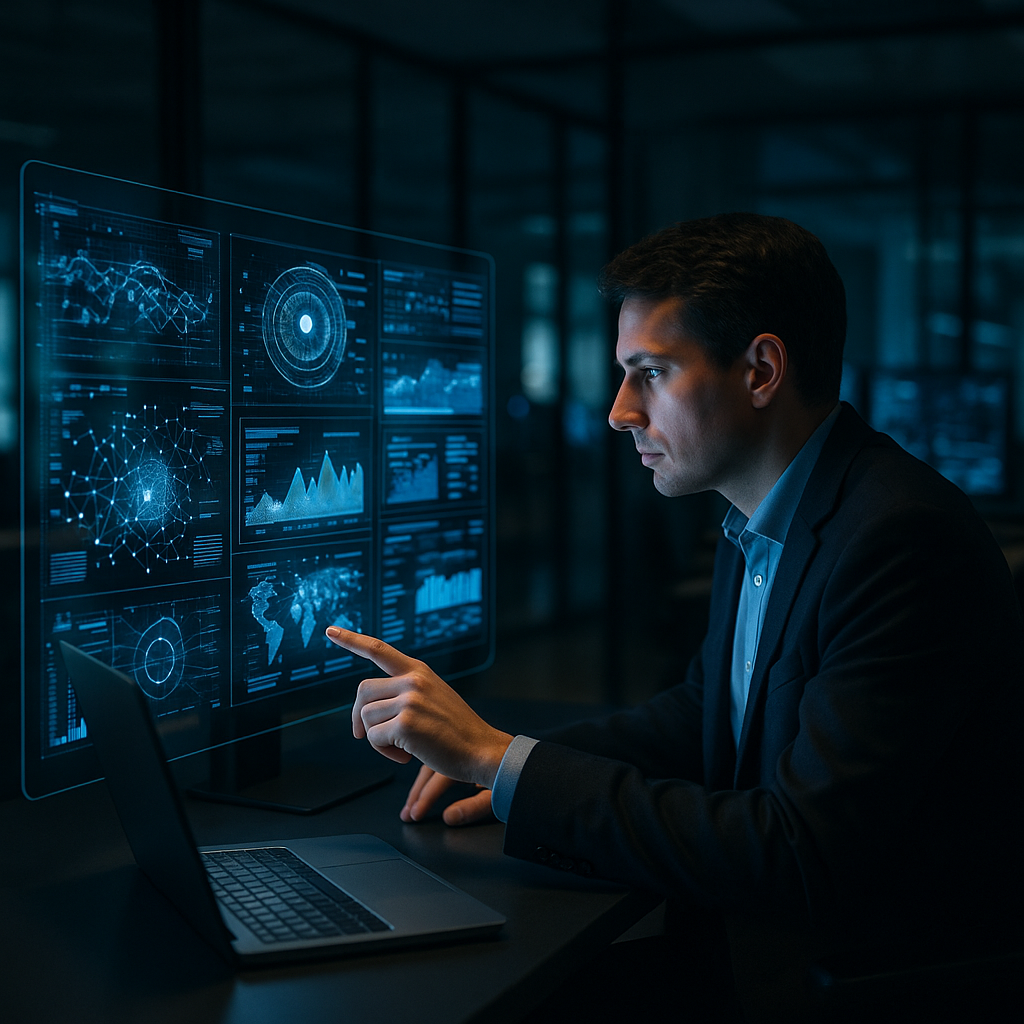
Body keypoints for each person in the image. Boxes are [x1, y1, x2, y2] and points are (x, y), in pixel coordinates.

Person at [326, 213, 1024, 1021]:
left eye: (650, 372)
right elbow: (707, 718)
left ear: (761, 369)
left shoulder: (899, 539)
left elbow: (798, 854)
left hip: (852, 980)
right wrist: (505, 762)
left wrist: (500, 760)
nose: (621, 410)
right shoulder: (765, 512)